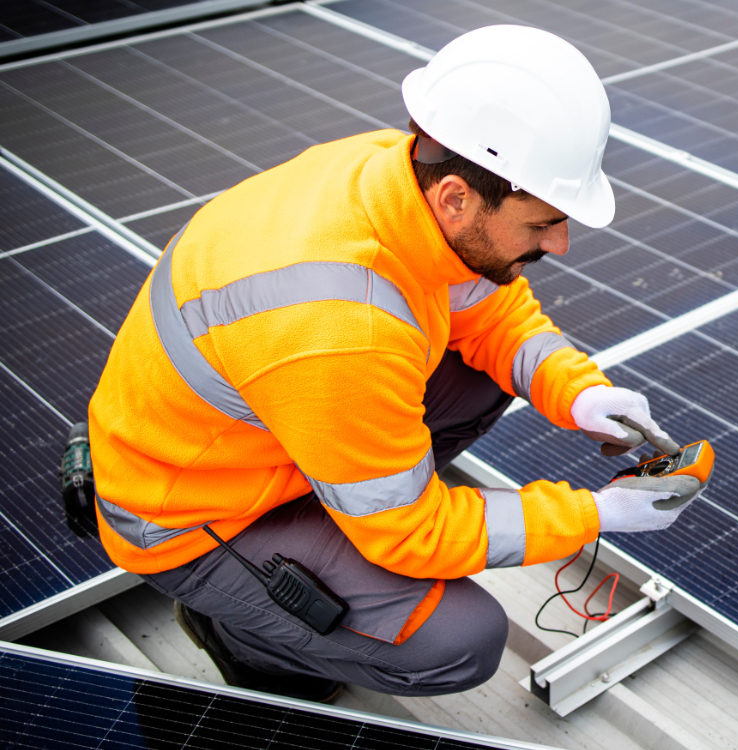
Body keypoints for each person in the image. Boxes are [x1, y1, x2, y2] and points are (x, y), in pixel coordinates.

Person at [88, 24, 704, 701]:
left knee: (477, 372)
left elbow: (491, 311)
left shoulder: (394, 171)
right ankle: (238, 635)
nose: (559, 244)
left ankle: (355, 486)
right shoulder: (339, 327)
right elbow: (410, 534)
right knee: (455, 641)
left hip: (274, 428)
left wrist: (578, 393)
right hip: (192, 513)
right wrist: (594, 513)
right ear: (457, 199)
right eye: (542, 223)